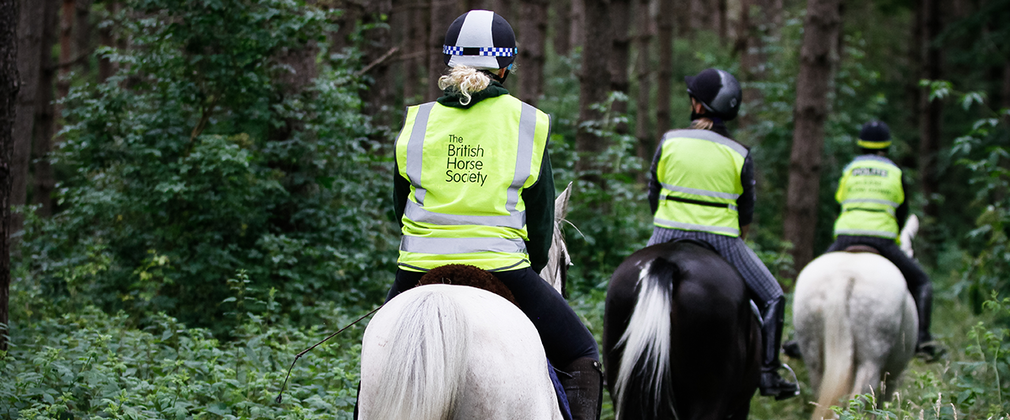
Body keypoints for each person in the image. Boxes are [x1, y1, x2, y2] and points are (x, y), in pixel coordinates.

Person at [386, 10, 602, 420]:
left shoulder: (418, 121)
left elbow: (401, 206)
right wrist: (533, 265)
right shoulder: (527, 122)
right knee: (581, 354)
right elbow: (541, 222)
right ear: (506, 65)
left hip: (417, 268)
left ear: (450, 61)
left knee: (378, 354)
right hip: (503, 269)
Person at [646, 68, 799, 400]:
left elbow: (653, 192)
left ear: (699, 107)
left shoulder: (670, 140)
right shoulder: (740, 154)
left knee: (628, 284)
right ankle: (769, 375)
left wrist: (668, 221)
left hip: (665, 235)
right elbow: (746, 213)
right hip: (721, 240)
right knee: (773, 297)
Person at [824, 120, 942, 360]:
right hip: (882, 241)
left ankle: (795, 339)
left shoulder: (850, 170)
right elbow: (901, 211)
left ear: (860, 145)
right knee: (922, 283)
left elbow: (839, 203)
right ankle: (922, 340)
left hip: (846, 237)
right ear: (885, 147)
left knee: (812, 275)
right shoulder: (894, 172)